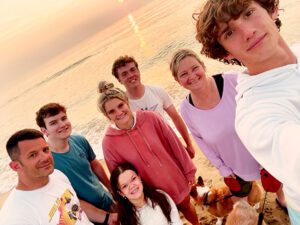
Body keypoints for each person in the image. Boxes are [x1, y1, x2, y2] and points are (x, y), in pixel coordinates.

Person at [194, 0, 300, 223]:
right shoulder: (254, 115)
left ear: (272, 9)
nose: (248, 32)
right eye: (230, 32)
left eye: (249, 13)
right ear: (226, 53)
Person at [98, 81, 200, 225]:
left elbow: (175, 144)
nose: (119, 112)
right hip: (148, 193)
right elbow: (119, 177)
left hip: (173, 178)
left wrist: (189, 171)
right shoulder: (109, 142)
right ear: (107, 116)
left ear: (127, 102)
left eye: (120, 105)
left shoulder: (151, 118)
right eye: (111, 111)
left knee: (186, 207)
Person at [170, 48, 260, 200]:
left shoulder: (233, 80)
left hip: (261, 150)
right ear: (178, 81)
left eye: (194, 68)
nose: (191, 76)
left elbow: (261, 106)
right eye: (183, 74)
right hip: (234, 166)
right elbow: (201, 142)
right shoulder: (186, 109)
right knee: (243, 196)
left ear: (203, 66)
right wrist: (222, 168)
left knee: (280, 185)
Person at [36, 103, 117, 225]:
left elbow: (95, 165)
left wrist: (111, 190)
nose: (62, 124)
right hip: (86, 217)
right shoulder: (47, 163)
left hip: (107, 201)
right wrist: (105, 217)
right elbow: (68, 199)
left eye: (64, 118)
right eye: (53, 123)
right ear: (44, 131)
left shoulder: (79, 140)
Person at [0, 129, 94, 225]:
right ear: (16, 166)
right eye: (33, 155)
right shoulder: (15, 217)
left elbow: (77, 209)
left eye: (45, 150)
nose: (45, 157)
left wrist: (107, 217)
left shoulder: (57, 175)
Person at [111, 55, 196, 158]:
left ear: (138, 71)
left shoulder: (157, 91)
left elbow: (176, 118)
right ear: (119, 80)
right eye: (124, 74)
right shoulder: (122, 106)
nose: (131, 75)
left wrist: (189, 144)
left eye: (133, 70)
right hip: (148, 156)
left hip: (171, 144)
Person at [110, 162, 183, 225]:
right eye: (125, 186)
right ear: (121, 193)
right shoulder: (125, 220)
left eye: (133, 179)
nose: (132, 186)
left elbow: (176, 222)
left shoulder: (160, 196)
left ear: (139, 177)